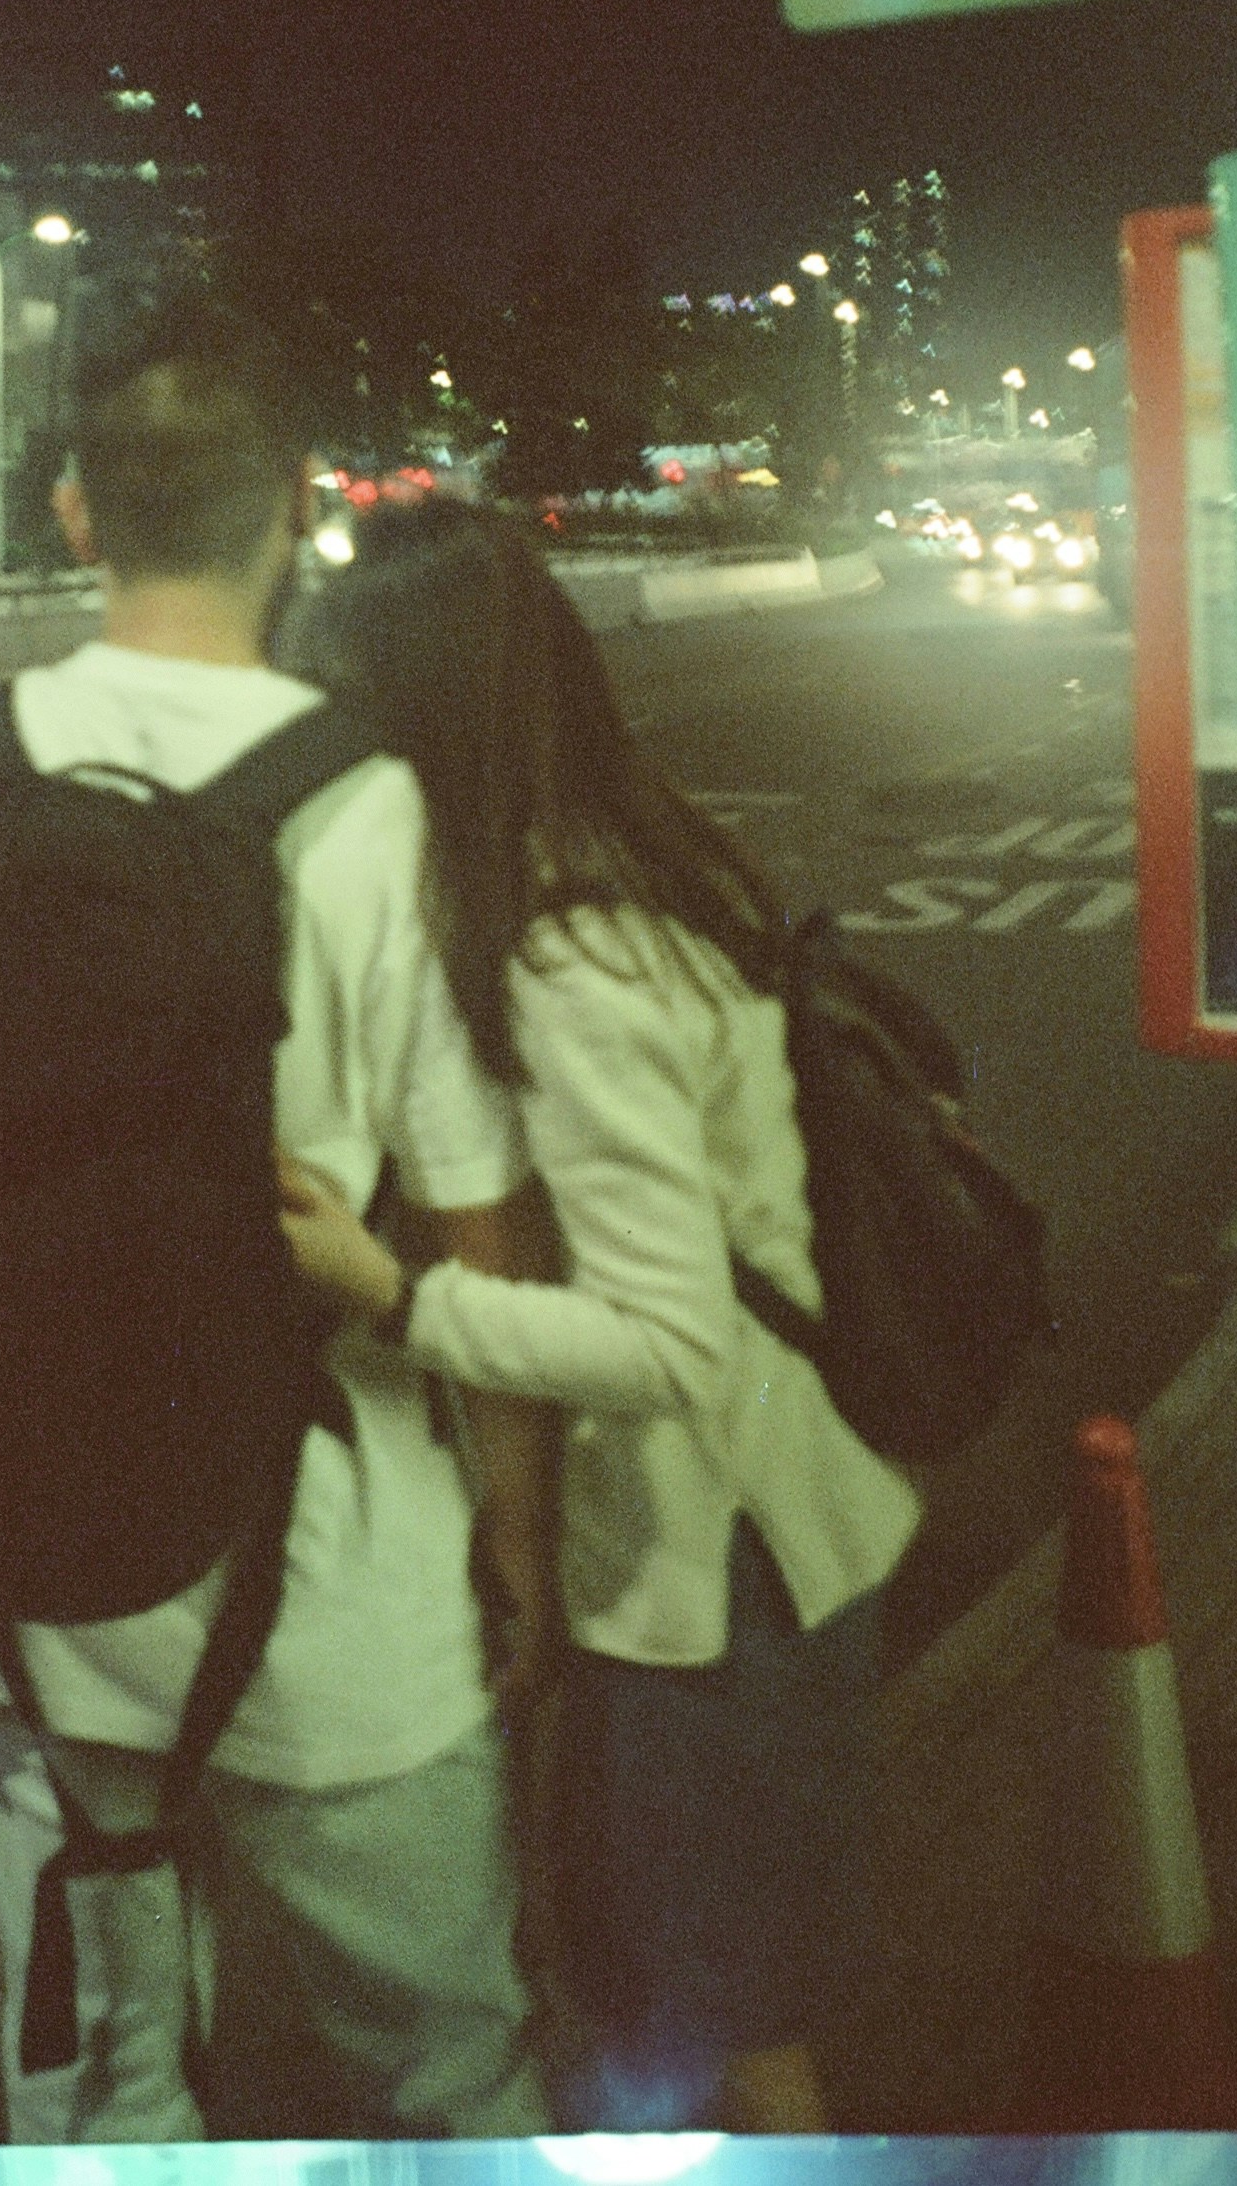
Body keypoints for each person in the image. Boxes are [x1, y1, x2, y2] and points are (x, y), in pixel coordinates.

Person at [0, 302, 556, 2146]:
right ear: (301, 513)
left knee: (104, 2094)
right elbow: (474, 1218)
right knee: (450, 2071)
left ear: (77, 513)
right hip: (327, 1574)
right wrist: (522, 1541)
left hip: (22, 1561)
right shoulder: (356, 801)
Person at [275, 497, 922, 2136]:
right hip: (764, 1545)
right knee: (683, 2002)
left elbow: (666, 1341)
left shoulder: (576, 950)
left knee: (714, 2024)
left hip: (725, 1577)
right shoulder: (648, 855)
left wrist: (395, 1292)